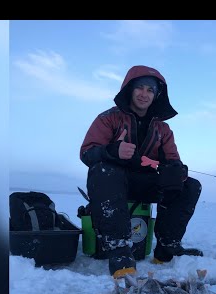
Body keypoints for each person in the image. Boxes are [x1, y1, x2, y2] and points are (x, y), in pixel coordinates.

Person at [79, 65, 203, 278]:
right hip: (113, 185)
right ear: (129, 89)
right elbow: (87, 153)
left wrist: (176, 171)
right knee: (103, 171)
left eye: (150, 90)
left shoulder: (163, 129)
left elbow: (173, 160)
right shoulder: (108, 118)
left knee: (190, 185)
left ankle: (166, 249)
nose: (144, 94)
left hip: (146, 183)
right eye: (140, 88)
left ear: (156, 96)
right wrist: (112, 151)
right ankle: (119, 252)